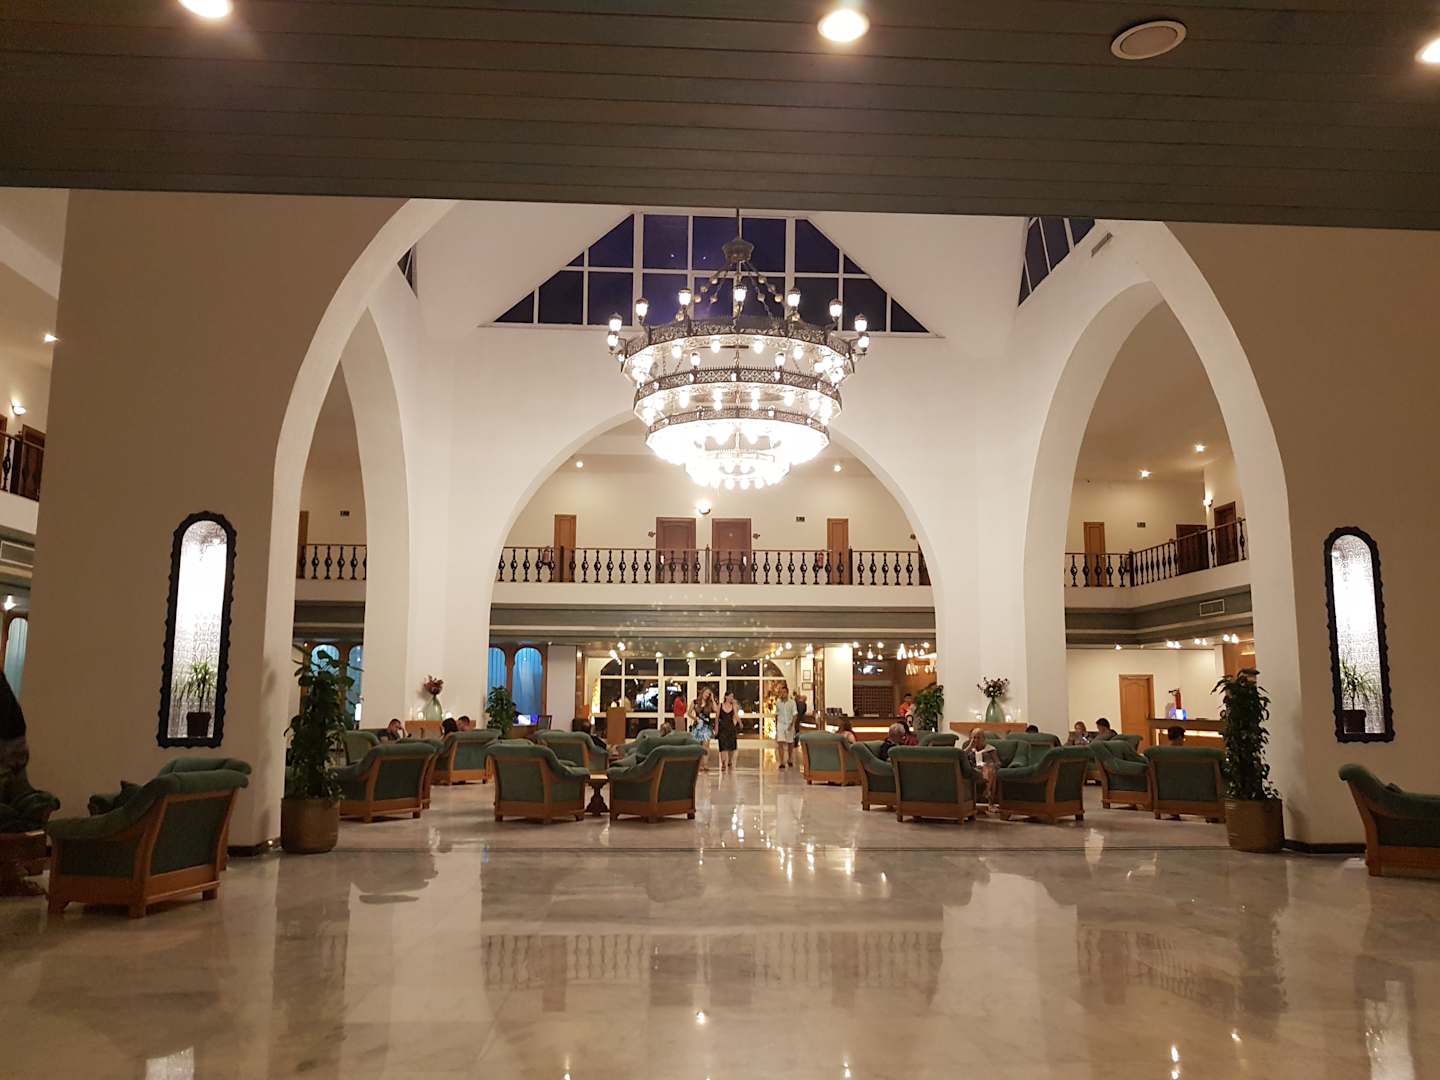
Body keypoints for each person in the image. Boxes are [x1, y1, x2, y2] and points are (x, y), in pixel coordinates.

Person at [963, 728, 1001, 811]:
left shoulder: (990, 749)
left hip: (987, 770)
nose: (976, 740)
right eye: (974, 738)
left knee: (991, 771)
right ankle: (986, 792)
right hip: (974, 770)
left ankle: (989, 798)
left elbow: (998, 763)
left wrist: (989, 765)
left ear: (983, 738)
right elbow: (960, 757)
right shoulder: (969, 749)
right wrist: (969, 747)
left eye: (978, 738)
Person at [773, 684, 798, 770]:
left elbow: (795, 714)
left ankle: (790, 758)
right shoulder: (778, 702)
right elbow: (777, 714)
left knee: (790, 742)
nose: (782, 694)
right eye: (781, 692)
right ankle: (782, 761)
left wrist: (792, 724)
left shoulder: (792, 702)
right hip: (781, 724)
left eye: (784, 692)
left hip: (789, 723)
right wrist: (776, 725)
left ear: (787, 693)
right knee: (780, 742)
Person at [716, 692, 740, 773]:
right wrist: (716, 728)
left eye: (732, 696)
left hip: (731, 728)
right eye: (730, 696)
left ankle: (729, 760)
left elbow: (736, 715)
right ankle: (723, 763)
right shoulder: (720, 705)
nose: (731, 698)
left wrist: (740, 723)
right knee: (723, 746)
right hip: (722, 728)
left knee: (731, 746)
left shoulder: (733, 706)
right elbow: (717, 717)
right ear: (726, 697)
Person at [691, 703, 713, 771]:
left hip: (707, 725)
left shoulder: (709, 703)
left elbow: (716, 709)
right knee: (698, 745)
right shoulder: (695, 702)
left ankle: (705, 764)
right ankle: (699, 764)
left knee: (706, 745)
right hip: (698, 725)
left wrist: (712, 699)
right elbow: (689, 712)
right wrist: (695, 719)